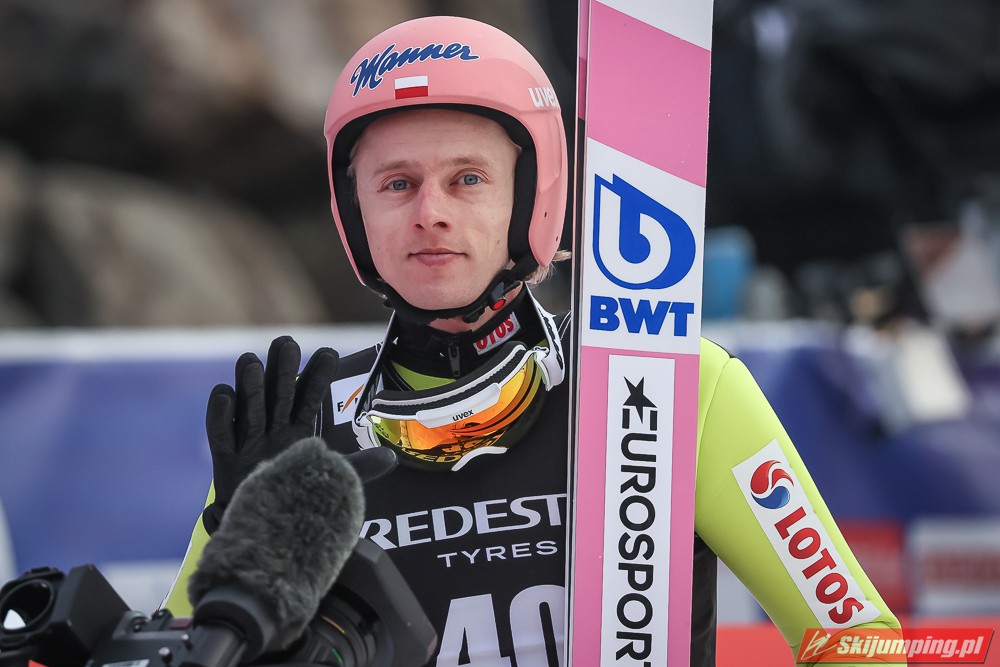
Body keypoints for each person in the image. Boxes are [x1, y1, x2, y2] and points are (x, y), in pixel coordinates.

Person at [164, 15, 903, 666]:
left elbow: (857, 638)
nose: (430, 213)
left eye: (468, 179)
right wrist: (241, 565)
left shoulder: (671, 386)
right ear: (353, 212)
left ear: (532, 198)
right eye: (396, 183)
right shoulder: (301, 432)